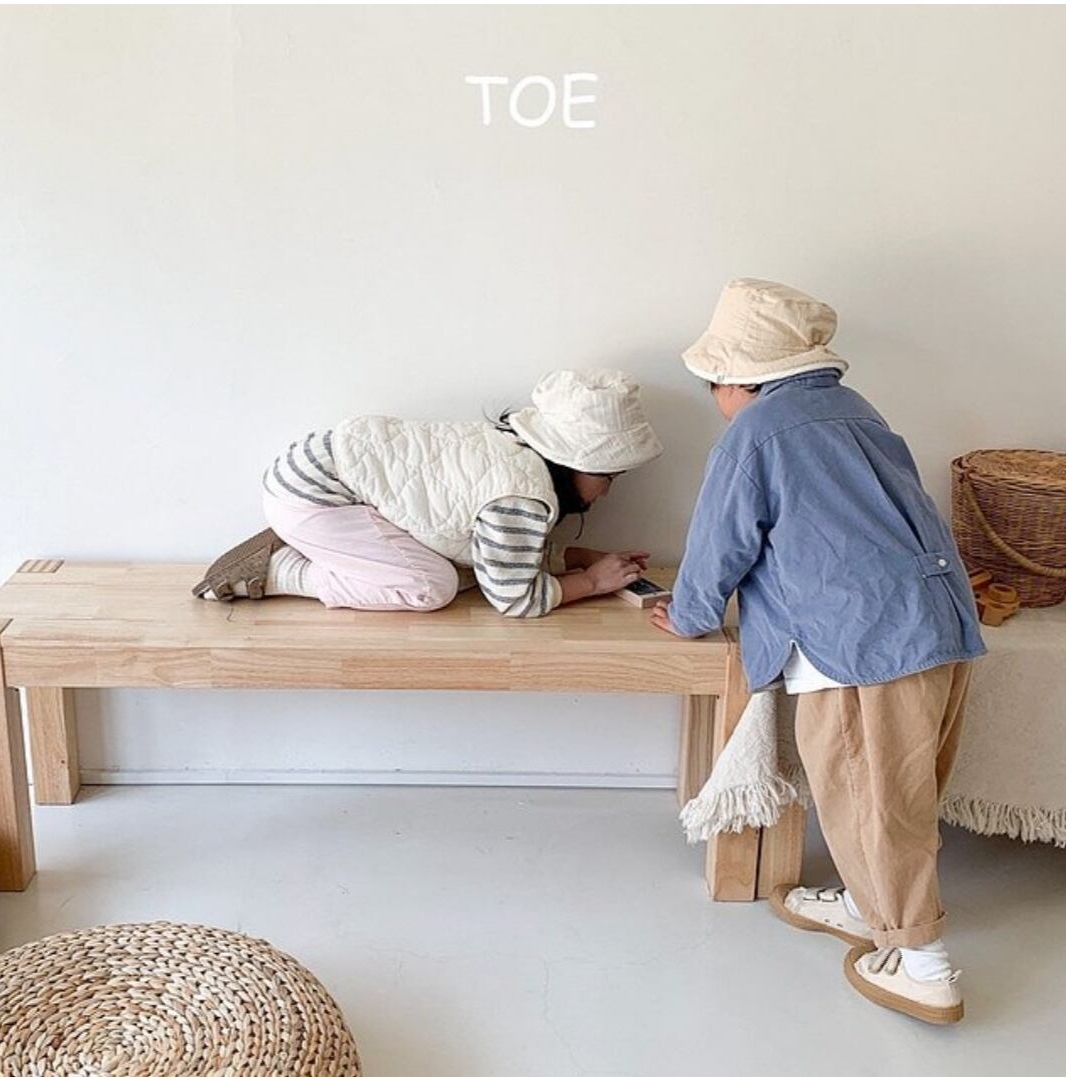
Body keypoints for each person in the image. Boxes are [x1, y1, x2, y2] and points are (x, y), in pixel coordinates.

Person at [652, 279, 985, 1024]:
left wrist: (690, 615)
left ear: (737, 378)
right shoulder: (856, 410)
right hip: (937, 619)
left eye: (713, 384)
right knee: (900, 792)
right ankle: (869, 905)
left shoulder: (756, 434)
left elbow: (719, 544)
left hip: (861, 639)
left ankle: (925, 965)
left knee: (870, 797)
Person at [194, 369, 662, 616]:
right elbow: (514, 599)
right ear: (574, 462)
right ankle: (284, 570)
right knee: (432, 587)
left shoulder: (510, 451)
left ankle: (318, 545)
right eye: (609, 477)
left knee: (451, 567)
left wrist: (573, 558)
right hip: (315, 498)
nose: (606, 493)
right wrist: (592, 583)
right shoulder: (523, 496)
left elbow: (490, 555)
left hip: (310, 474)